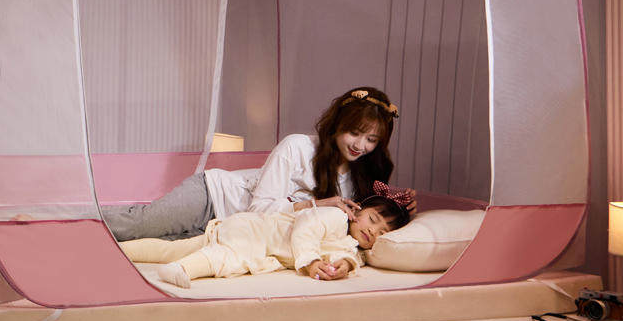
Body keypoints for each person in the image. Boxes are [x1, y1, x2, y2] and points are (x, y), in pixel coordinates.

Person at [102, 86, 416, 242]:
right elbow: (259, 209)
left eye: (371, 139)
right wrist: (316, 204)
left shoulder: (360, 180)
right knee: (137, 226)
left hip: (232, 232)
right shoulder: (298, 147)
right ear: (337, 126)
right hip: (212, 197)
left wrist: (403, 209)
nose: (360, 146)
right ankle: (77, 222)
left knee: (146, 246)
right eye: (355, 133)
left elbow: (367, 221)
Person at [118, 195, 411, 288]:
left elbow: (351, 257)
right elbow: (306, 229)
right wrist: (311, 262)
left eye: (382, 233)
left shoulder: (351, 245)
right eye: (373, 220)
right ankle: (182, 269)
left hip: (252, 234)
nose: (373, 232)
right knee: (231, 258)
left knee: (176, 247)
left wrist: (345, 266)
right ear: (356, 210)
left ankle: (119, 250)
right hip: (256, 232)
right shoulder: (334, 217)